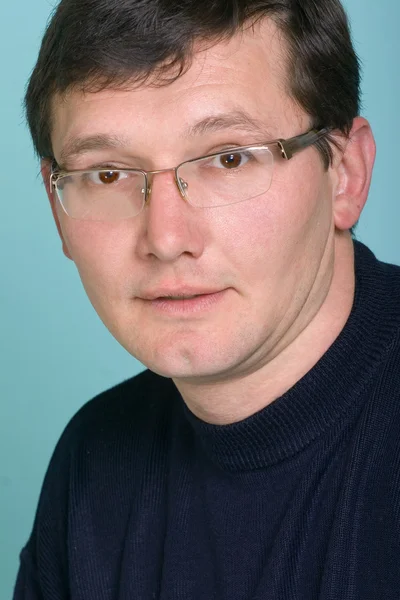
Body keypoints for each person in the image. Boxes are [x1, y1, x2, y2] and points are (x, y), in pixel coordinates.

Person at [13, 0, 400, 598]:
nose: (166, 239)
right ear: (55, 208)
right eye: (109, 174)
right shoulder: (94, 461)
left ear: (344, 173)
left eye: (228, 158)